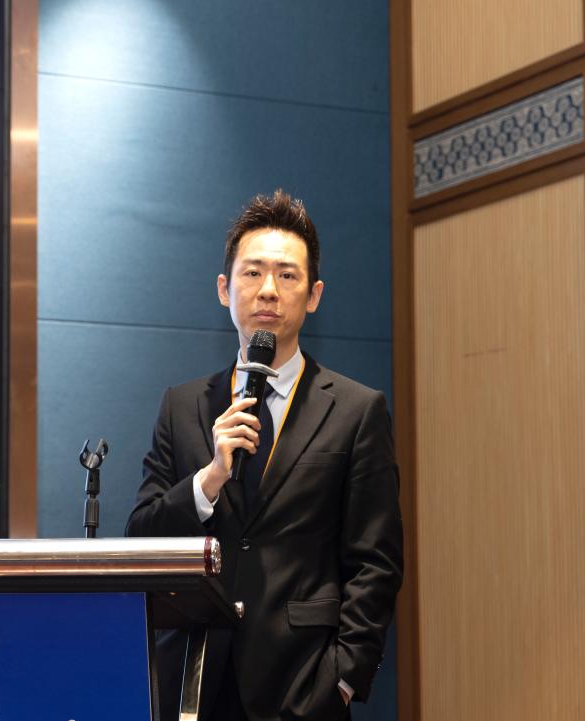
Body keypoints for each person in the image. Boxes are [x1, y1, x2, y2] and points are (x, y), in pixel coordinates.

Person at [126, 189, 403, 721]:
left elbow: (376, 562)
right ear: (224, 289)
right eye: (252, 273)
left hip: (303, 685)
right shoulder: (183, 407)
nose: (268, 290)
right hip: (192, 683)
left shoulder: (356, 410)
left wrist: (344, 679)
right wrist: (208, 479)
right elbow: (142, 539)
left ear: (314, 295)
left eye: (287, 275)